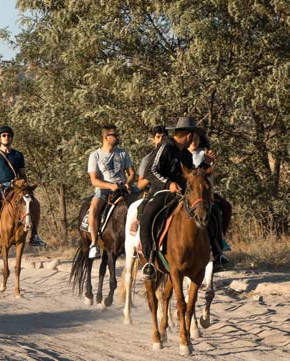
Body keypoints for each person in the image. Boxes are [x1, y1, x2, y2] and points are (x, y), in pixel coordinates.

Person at [137, 116, 212, 275]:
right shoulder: (165, 147)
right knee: (148, 217)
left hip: (184, 194)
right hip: (161, 192)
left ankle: (217, 252)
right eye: (194, 136)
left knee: (214, 209)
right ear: (189, 136)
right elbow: (150, 171)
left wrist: (206, 165)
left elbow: (191, 175)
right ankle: (150, 259)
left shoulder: (185, 154)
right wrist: (168, 184)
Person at [0, 125, 45, 248]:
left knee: (35, 204)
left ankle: (34, 235)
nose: (6, 137)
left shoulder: (18, 155)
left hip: (16, 187)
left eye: (9, 135)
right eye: (4, 135)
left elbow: (22, 174)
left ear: (11, 138)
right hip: (0, 187)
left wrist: (25, 185)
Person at [86, 124, 135, 259]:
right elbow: (94, 180)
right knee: (94, 208)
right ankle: (94, 243)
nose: (118, 137)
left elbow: (131, 173)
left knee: (143, 204)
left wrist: (128, 183)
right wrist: (110, 186)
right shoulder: (95, 156)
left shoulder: (123, 153)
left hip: (123, 188)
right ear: (107, 137)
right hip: (104, 191)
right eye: (115, 135)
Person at [189, 127, 231, 267]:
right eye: (191, 139)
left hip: (205, 193)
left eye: (196, 139)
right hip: (188, 192)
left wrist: (210, 162)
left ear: (200, 140)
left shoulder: (204, 153)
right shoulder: (181, 153)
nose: (193, 142)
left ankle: (219, 247)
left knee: (224, 207)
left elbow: (209, 175)